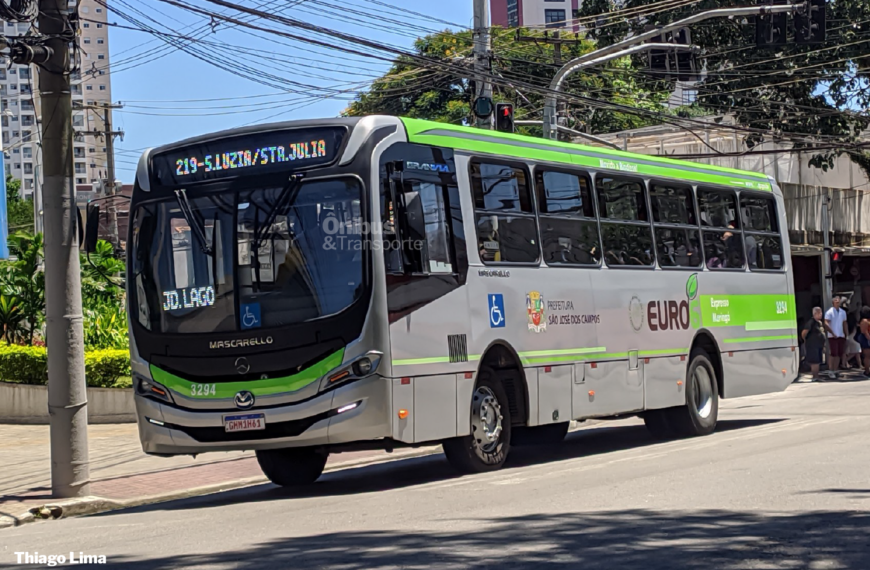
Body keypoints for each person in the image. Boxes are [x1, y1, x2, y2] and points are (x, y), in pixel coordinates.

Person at [801, 307, 831, 380]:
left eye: (821, 312)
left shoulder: (819, 322)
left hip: (819, 345)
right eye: (819, 313)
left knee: (818, 361)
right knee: (814, 361)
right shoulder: (811, 322)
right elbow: (804, 332)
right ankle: (815, 376)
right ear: (815, 314)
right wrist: (805, 340)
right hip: (812, 345)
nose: (821, 314)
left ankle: (817, 375)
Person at [824, 296, 848, 374]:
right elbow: (826, 323)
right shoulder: (829, 312)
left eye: (838, 300)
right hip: (832, 336)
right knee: (833, 353)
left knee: (839, 353)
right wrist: (832, 333)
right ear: (833, 302)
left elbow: (844, 323)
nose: (838, 302)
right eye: (836, 300)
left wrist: (846, 334)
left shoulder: (843, 312)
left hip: (841, 335)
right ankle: (831, 370)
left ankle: (835, 369)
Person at [854, 306, 870, 375]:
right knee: (867, 355)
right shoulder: (864, 321)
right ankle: (867, 371)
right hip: (866, 338)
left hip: (867, 337)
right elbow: (864, 331)